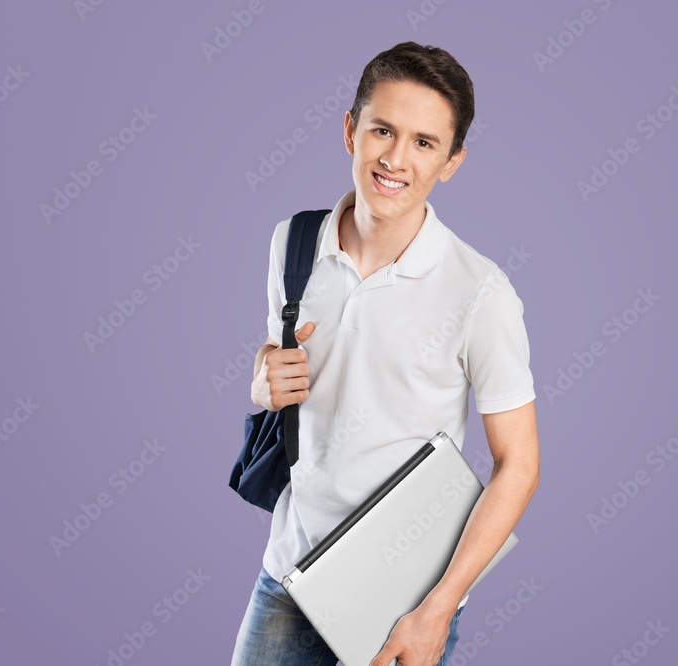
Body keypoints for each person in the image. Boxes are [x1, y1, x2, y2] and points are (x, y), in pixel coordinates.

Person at [231, 41, 540, 666]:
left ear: (451, 162)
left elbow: (520, 463)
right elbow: (282, 374)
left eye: (424, 143)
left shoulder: (479, 291)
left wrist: (439, 607)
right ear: (351, 130)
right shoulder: (292, 241)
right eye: (383, 130)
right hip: (290, 571)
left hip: (403, 598)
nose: (395, 159)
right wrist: (263, 382)